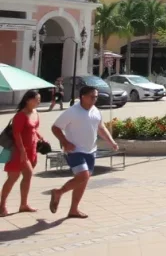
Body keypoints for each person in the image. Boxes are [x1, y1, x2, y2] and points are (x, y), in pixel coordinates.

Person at [48, 85, 119, 219]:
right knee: (83, 176)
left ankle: (73, 210)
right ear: (83, 97)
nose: (95, 99)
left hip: (90, 150)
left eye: (96, 96)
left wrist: (111, 142)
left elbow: (101, 127)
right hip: (75, 150)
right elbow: (55, 128)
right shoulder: (72, 111)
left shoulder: (96, 111)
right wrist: (65, 142)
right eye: (92, 96)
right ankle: (59, 192)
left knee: (83, 180)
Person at [1, 90, 45, 216]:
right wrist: (22, 151)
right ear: (28, 100)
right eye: (36, 99)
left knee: (27, 176)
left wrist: (41, 138)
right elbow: (16, 134)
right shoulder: (20, 115)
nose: (38, 102)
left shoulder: (35, 112)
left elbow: (34, 129)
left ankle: (23, 204)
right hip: (19, 151)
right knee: (13, 177)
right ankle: (2, 205)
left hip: (32, 150)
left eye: (39, 99)